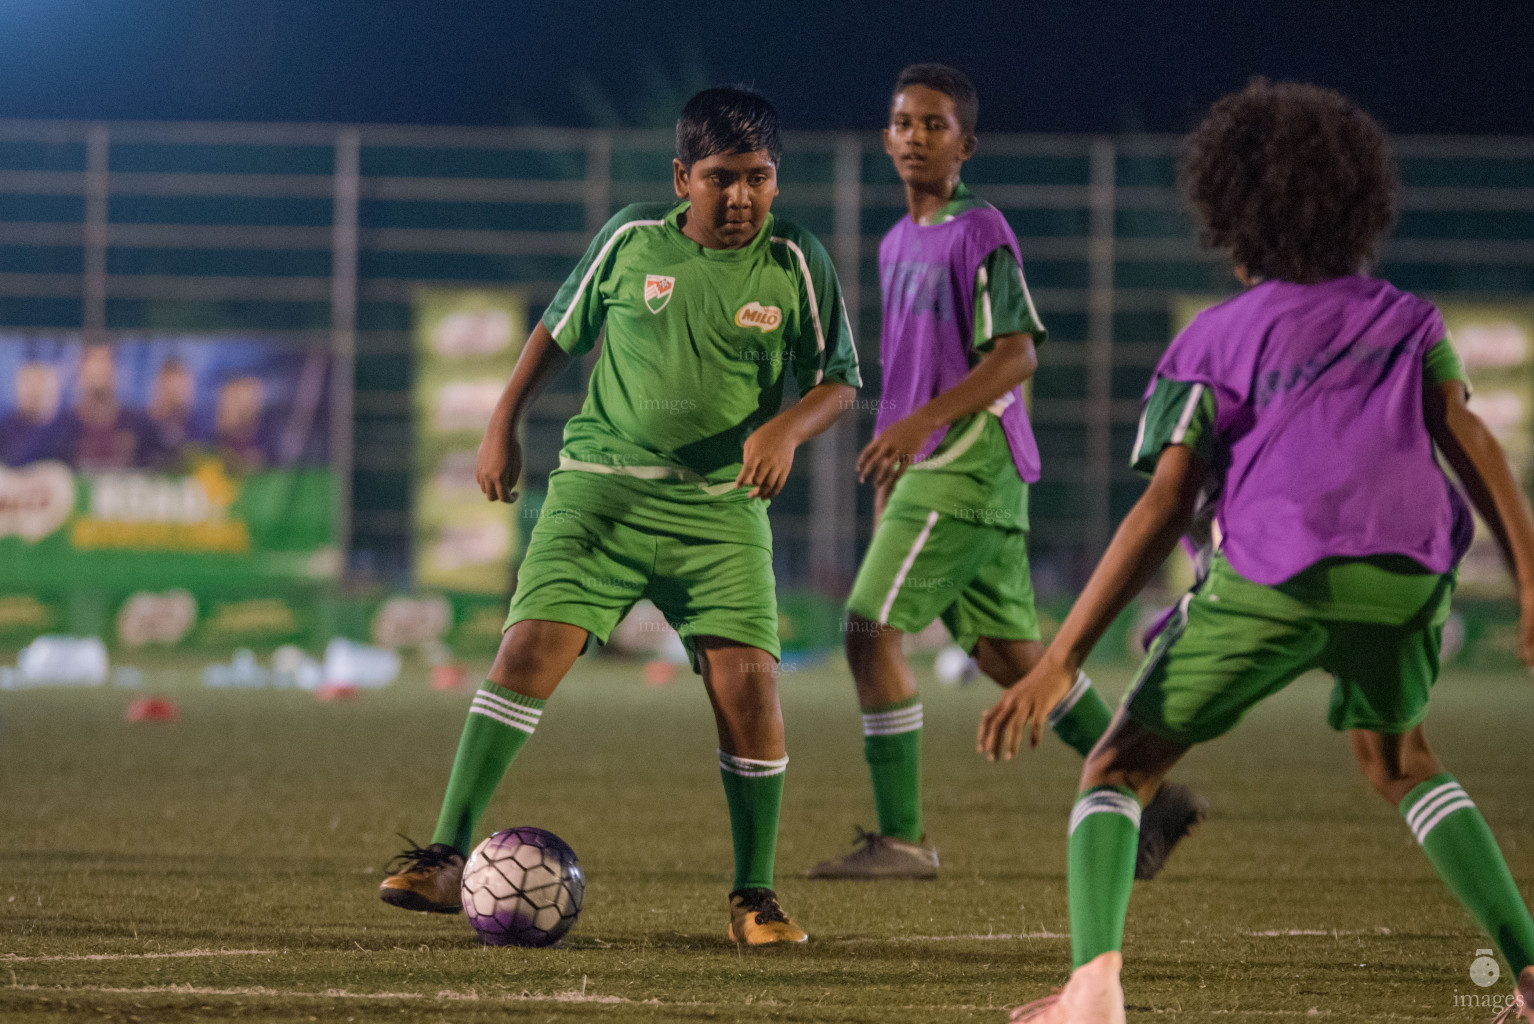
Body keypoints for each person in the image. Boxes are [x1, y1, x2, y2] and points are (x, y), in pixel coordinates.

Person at [980, 79, 1534, 1023]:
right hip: (1408, 575)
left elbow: (1166, 502)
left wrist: (1062, 657)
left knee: (1117, 769)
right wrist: (1532, 580)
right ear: (1355, 210)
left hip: (1277, 574)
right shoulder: (1406, 316)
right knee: (1401, 760)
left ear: (1231, 219)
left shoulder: (1215, 336)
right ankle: (1527, 970)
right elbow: (1469, 440)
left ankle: (1092, 991)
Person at [379, 86, 861, 945]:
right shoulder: (633, 240)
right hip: (600, 493)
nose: (742, 196)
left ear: (777, 181)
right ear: (683, 177)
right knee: (525, 651)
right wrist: (502, 425)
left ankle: (755, 896)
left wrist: (786, 428)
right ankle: (445, 856)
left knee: (750, 693)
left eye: (758, 177)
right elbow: (557, 332)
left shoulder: (797, 260)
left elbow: (840, 378)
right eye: (722, 178)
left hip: (720, 515)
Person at [808, 63, 1204, 882]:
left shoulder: (979, 230)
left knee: (866, 628)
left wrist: (920, 430)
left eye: (935, 124)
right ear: (886, 138)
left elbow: (1017, 353)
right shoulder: (893, 242)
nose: (917, 136)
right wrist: (895, 457)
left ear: (966, 144)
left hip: (967, 462)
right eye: (904, 122)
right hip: (939, 467)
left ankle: (904, 839)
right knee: (1011, 659)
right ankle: (1153, 791)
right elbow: (913, 368)